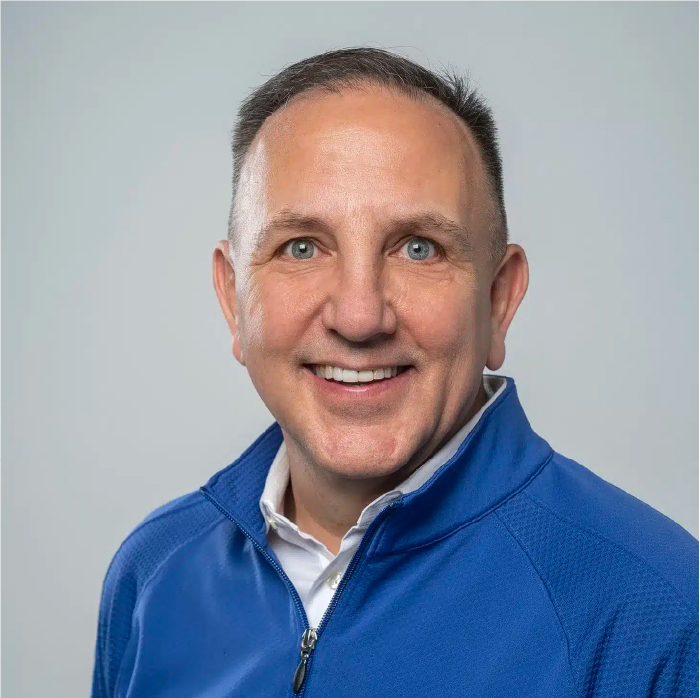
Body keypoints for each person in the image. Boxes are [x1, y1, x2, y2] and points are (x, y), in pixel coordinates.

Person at [90, 48, 698, 698]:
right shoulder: (153, 573)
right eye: (301, 246)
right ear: (232, 297)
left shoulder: (658, 606)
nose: (359, 316)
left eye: (418, 248)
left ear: (498, 302)